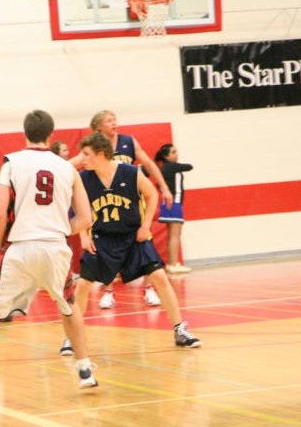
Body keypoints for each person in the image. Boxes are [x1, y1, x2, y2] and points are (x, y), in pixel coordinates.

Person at [0, 110, 96, 414]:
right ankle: (85, 368)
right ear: (51, 135)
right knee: (67, 305)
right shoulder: (67, 168)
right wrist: (59, 229)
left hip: (19, 248)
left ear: (25, 133)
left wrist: (0, 243)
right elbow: (86, 218)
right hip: (55, 247)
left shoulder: (11, 162)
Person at [58, 133, 201, 358]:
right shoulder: (83, 178)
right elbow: (78, 208)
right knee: (83, 284)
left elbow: (152, 195)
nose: (81, 159)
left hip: (133, 237)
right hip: (102, 238)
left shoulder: (131, 172)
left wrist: (146, 225)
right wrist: (84, 236)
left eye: (86, 154)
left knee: (160, 277)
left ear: (101, 154)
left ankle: (180, 330)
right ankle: (72, 336)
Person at [69, 110, 174, 308]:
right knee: (103, 248)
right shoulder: (91, 151)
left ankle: (149, 288)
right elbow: (70, 166)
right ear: (98, 127)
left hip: (129, 201)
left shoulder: (129, 142)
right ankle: (108, 291)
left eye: (114, 119)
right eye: (109, 121)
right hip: (105, 207)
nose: (114, 123)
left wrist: (164, 187)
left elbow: (148, 164)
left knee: (146, 248)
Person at [155, 144, 194, 273]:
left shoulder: (163, 168)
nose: (176, 154)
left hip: (168, 204)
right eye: (173, 152)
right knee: (175, 235)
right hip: (174, 204)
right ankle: (173, 264)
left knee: (172, 235)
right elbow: (189, 166)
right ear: (166, 156)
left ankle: (171, 263)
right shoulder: (171, 166)